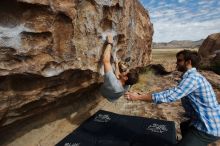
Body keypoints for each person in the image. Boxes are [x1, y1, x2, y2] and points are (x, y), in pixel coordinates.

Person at [125, 50, 220, 146]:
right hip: (201, 120)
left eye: (179, 60)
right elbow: (173, 91)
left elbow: (169, 96)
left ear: (188, 62)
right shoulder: (192, 76)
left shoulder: (192, 79)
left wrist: (138, 97)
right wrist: (143, 94)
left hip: (208, 127)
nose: (176, 63)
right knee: (184, 126)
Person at [100, 34, 139, 101]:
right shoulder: (127, 85)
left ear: (126, 77)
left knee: (109, 82)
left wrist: (110, 43)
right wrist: (116, 65)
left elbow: (106, 61)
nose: (123, 70)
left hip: (104, 92)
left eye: (125, 71)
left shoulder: (112, 81)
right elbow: (118, 76)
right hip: (112, 97)